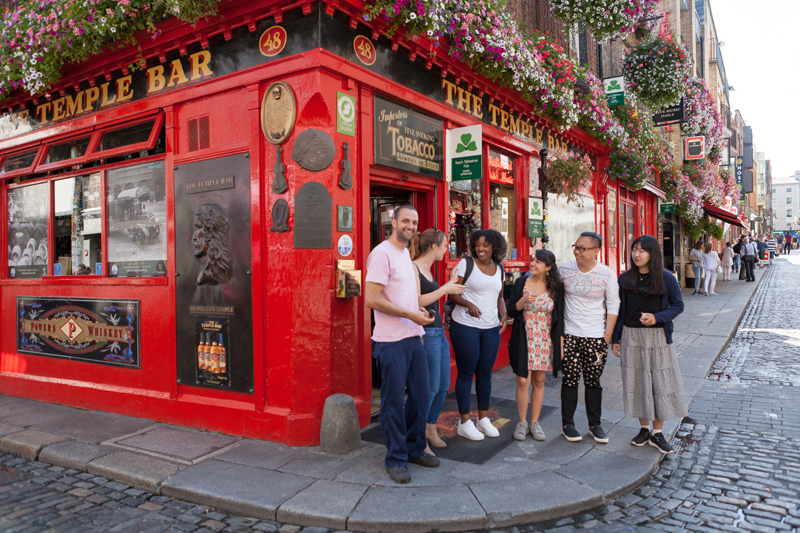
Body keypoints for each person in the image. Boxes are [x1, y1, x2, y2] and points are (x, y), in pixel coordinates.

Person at [365, 205, 438, 484]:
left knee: (421, 396)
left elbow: (407, 297)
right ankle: (395, 458)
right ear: (393, 222)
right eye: (405, 220)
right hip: (390, 341)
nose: (410, 225)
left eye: (414, 221)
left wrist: (418, 318)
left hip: (412, 336)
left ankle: (414, 447)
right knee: (393, 401)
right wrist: (408, 314)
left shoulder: (406, 254)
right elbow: (371, 299)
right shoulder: (381, 253)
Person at [612, 235, 686, 454]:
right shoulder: (624, 279)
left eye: (642, 250)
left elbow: (678, 305)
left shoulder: (666, 278)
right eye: (634, 249)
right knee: (636, 382)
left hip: (658, 338)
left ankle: (657, 432)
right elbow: (619, 310)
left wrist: (658, 317)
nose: (637, 254)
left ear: (652, 253)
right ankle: (644, 429)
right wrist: (616, 338)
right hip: (631, 336)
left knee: (659, 383)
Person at [558, 232, 619, 444]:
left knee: (593, 381)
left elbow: (613, 305)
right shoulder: (564, 269)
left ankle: (595, 425)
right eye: (575, 246)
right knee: (570, 380)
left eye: (582, 248)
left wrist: (607, 336)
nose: (577, 251)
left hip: (595, 336)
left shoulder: (607, 275)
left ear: (595, 251)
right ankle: (568, 424)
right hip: (570, 335)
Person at [447, 229, 508, 441]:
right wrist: (468, 303)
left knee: (485, 374)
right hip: (465, 326)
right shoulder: (466, 264)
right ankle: (464, 422)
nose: (480, 249)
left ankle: (483, 418)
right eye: (477, 245)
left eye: (485, 245)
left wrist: (503, 314)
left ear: (495, 247)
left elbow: (499, 296)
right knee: (466, 373)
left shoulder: (499, 267)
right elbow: (452, 292)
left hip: (491, 328)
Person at [410, 228, 466, 452]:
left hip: (439, 332)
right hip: (427, 334)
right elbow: (416, 300)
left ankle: (430, 427)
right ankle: (418, 435)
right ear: (434, 247)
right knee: (430, 388)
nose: (446, 249)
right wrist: (446, 288)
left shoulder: (429, 269)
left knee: (443, 385)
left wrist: (448, 284)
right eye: (444, 245)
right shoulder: (413, 267)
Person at [506, 250, 565, 442]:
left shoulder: (555, 287)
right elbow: (510, 312)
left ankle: (534, 422)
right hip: (524, 337)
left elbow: (561, 317)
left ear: (548, 267)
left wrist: (561, 343)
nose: (533, 263)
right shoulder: (521, 283)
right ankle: (522, 422)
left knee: (539, 381)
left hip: (545, 338)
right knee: (523, 381)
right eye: (532, 260)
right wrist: (522, 301)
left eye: (538, 262)